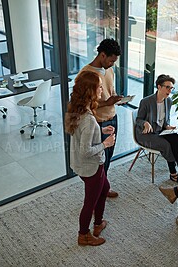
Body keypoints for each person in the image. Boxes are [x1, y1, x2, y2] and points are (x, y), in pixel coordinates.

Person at [65, 71, 116, 246]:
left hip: (83, 166)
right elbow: (85, 151)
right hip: (91, 167)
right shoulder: (88, 119)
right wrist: (106, 144)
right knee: (90, 202)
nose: (102, 90)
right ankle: (83, 234)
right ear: (90, 91)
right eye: (99, 87)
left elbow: (82, 135)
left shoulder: (76, 109)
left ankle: (98, 223)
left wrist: (101, 131)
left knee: (105, 189)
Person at [77, 38, 122, 198]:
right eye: (111, 60)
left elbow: (110, 90)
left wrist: (115, 98)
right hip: (97, 122)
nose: (112, 64)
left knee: (108, 157)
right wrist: (106, 103)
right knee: (99, 161)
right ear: (102, 55)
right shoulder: (86, 74)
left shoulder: (109, 70)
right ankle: (98, 191)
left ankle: (104, 186)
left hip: (112, 117)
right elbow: (82, 103)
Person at [135, 74, 178, 185]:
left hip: (160, 130)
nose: (169, 90)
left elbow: (165, 120)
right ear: (159, 86)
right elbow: (138, 120)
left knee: (174, 137)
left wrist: (167, 126)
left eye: (171, 88)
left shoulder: (168, 101)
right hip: (145, 134)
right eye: (167, 87)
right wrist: (145, 123)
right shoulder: (146, 101)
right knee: (166, 145)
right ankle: (173, 173)